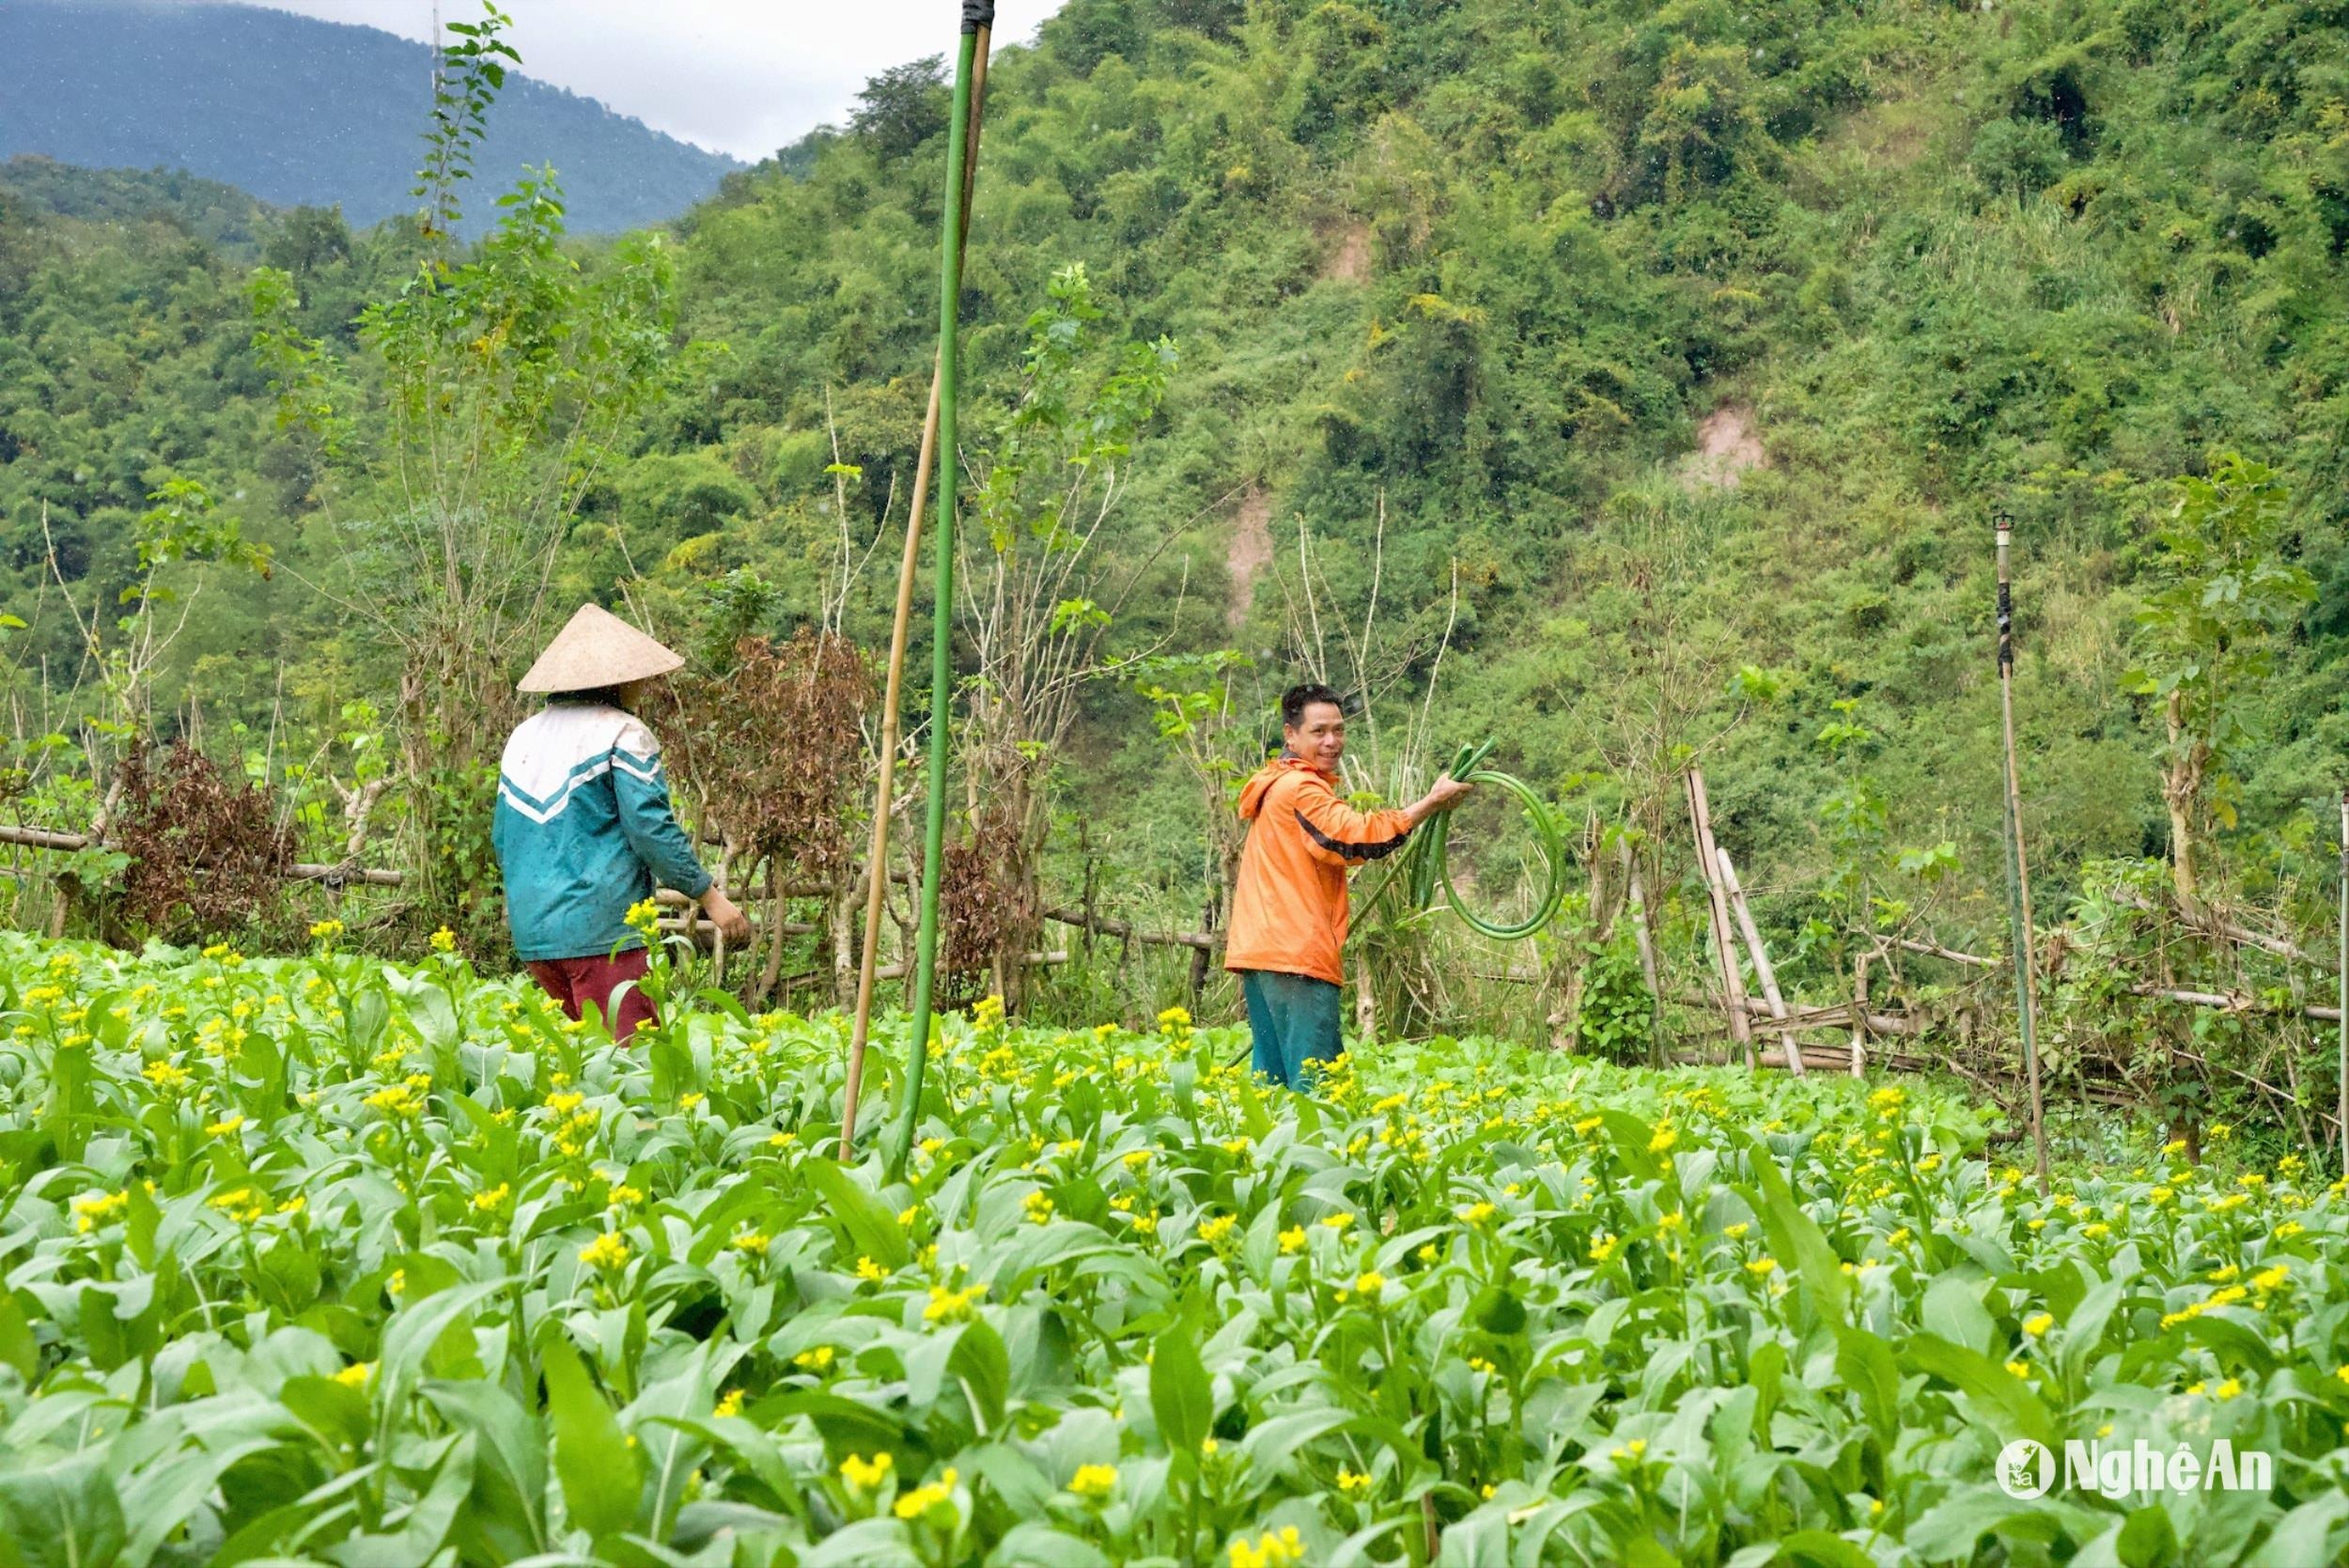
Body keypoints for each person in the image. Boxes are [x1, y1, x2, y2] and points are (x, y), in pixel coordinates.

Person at [492, 602, 750, 1036]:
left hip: (536, 936)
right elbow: (651, 829)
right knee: (632, 1069)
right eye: (639, 678)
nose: (644, 686)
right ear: (618, 680)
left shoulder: (524, 736)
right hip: (603, 932)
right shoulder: (623, 733)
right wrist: (709, 897)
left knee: (583, 1065)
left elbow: (504, 840)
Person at [1224, 682, 1471, 1089]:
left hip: (1263, 953)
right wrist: (1429, 803)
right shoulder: (1300, 789)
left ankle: (1269, 1152)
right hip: (1294, 955)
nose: (1331, 741)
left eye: (1338, 730)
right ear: (1290, 735)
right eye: (1318, 731)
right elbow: (1356, 837)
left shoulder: (1275, 785)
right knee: (1318, 1085)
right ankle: (1321, 1152)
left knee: (1271, 1085)